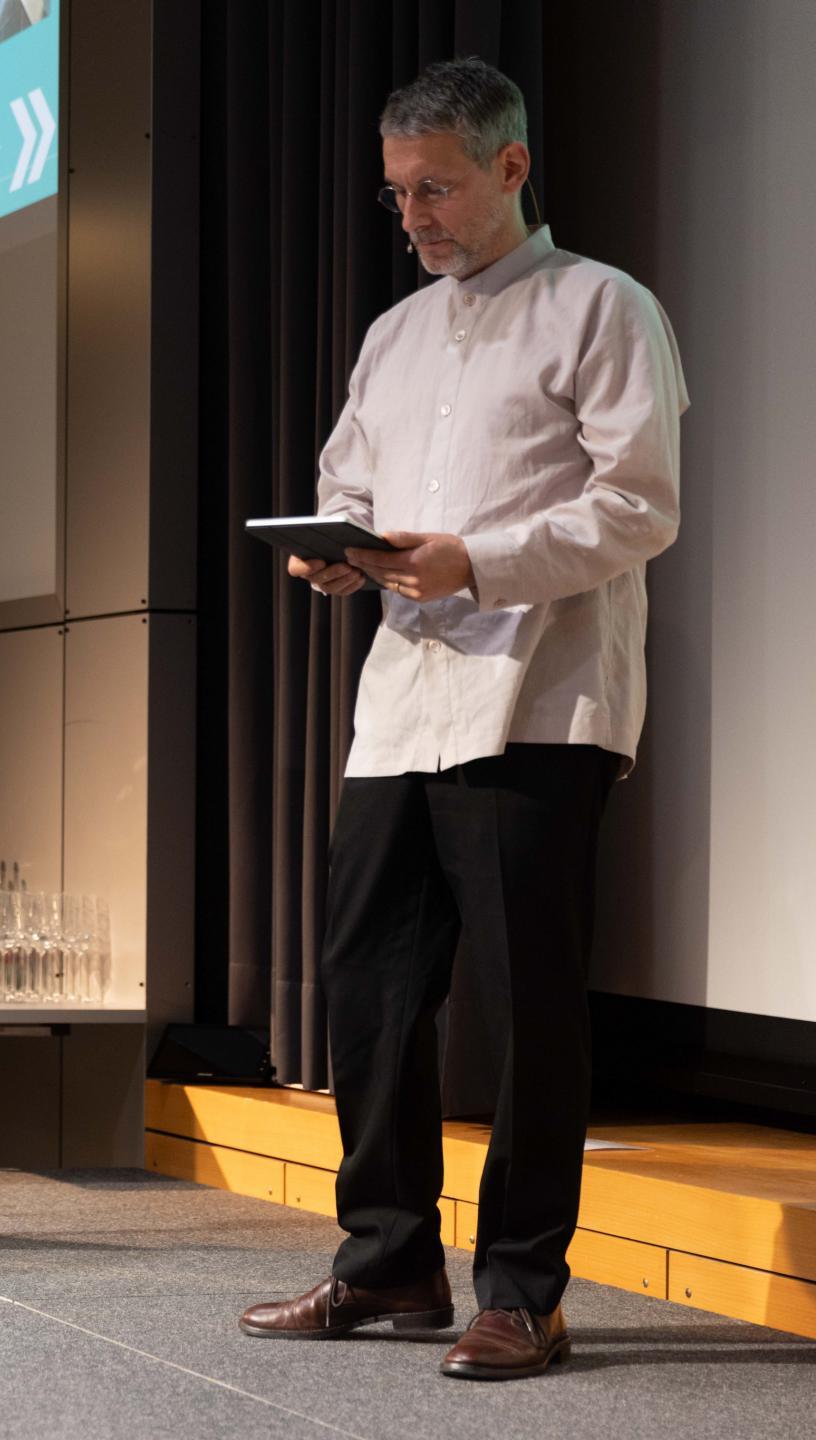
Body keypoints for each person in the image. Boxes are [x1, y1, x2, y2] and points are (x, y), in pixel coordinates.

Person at [236, 58, 686, 1379]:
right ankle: (388, 1261)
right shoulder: (395, 334)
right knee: (369, 992)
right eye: (397, 194)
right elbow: (349, 480)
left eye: (435, 188)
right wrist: (334, 550)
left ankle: (524, 1289)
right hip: (404, 704)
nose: (414, 215)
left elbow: (641, 505)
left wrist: (474, 562)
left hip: (540, 697)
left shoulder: (602, 305)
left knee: (530, 1006)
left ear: (511, 167)